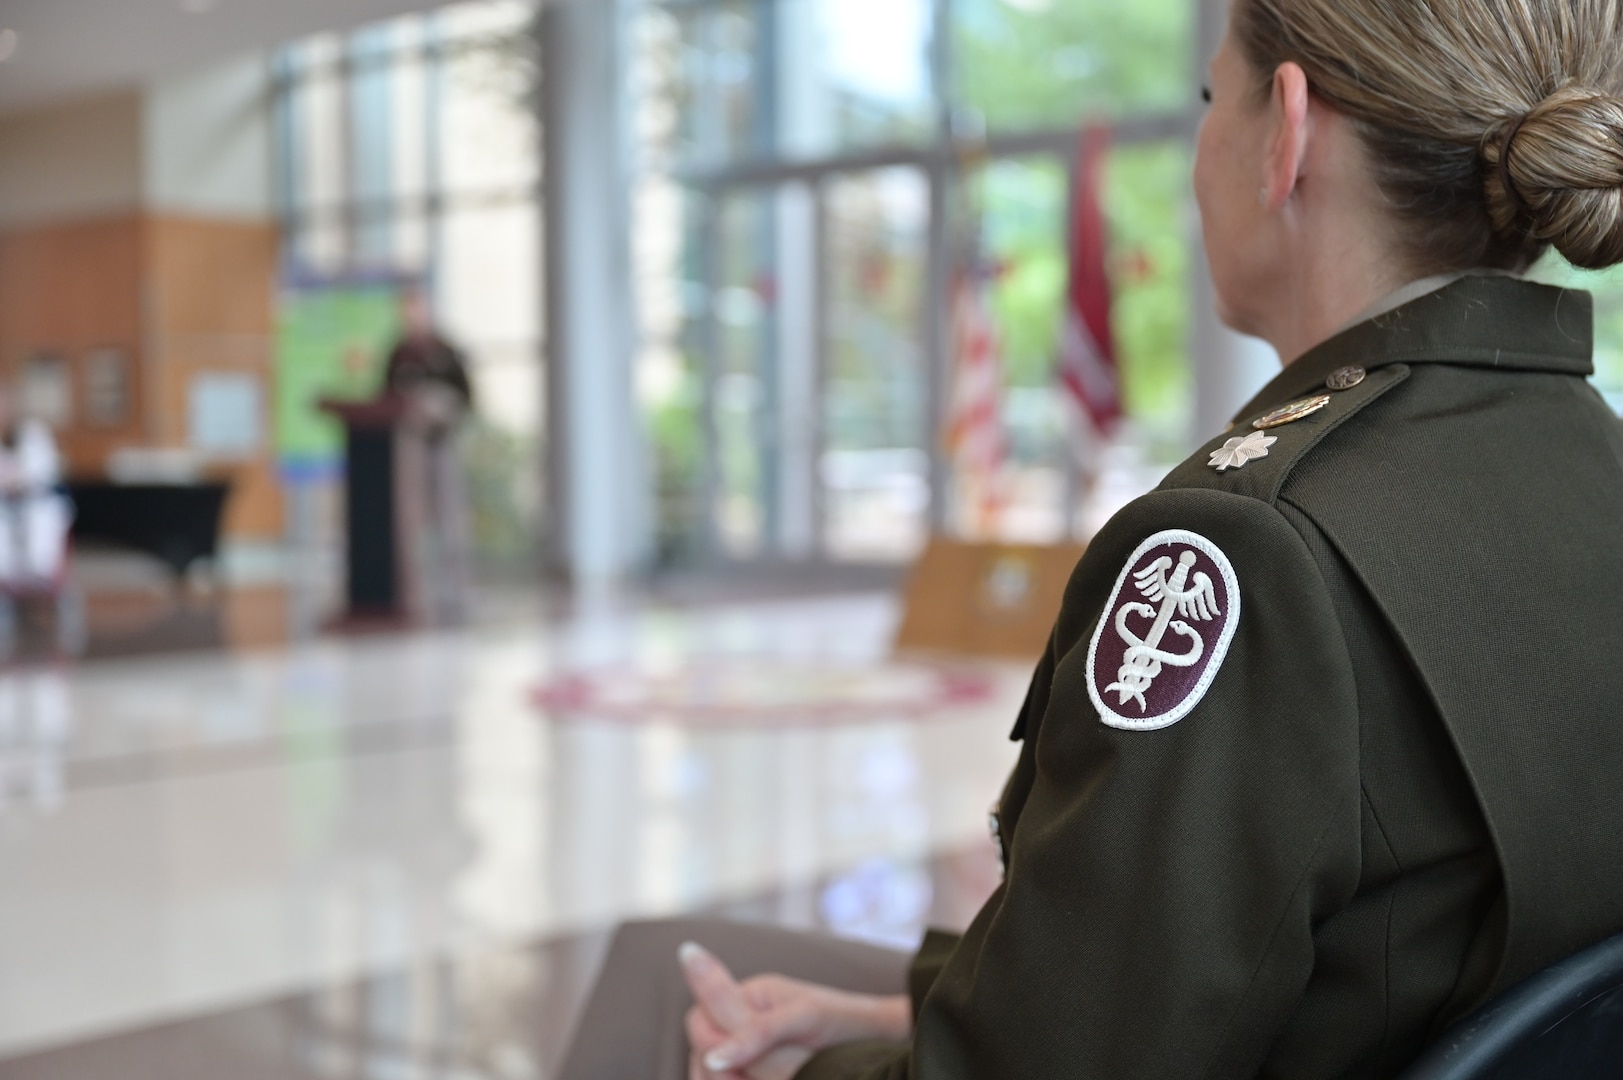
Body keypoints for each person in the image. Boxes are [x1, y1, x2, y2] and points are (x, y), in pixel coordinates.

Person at [558, 0, 1623, 1076]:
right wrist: (901, 1013)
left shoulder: (1249, 552)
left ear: (1285, 132)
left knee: (666, 987)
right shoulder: (1593, 467)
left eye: (1215, 100)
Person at [382, 287, 474, 619]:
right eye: (408, 310)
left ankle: (456, 589)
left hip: (443, 443)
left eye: (418, 309)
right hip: (411, 443)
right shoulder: (398, 353)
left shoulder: (448, 351)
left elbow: (467, 399)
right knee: (410, 519)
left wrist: (439, 405)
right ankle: (413, 592)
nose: (413, 316)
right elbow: (384, 398)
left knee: (450, 517)